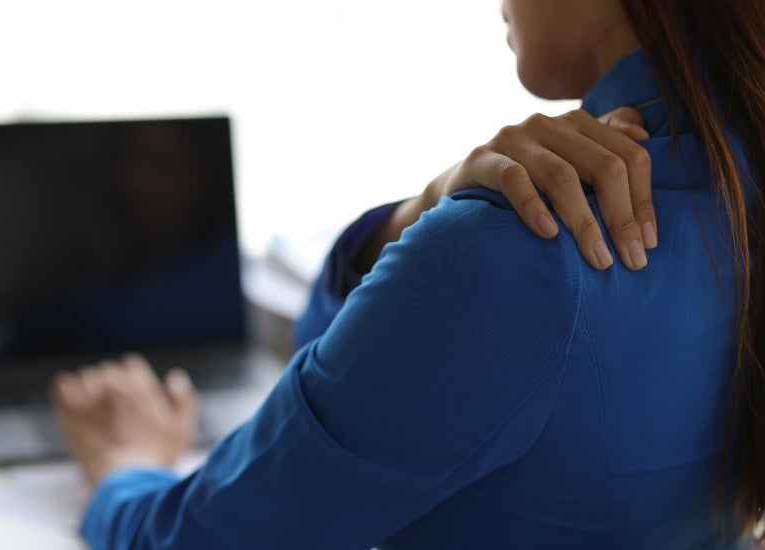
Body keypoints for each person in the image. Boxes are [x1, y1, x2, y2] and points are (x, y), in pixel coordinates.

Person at [50, 0, 765, 548]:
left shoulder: (517, 252)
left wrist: (126, 464)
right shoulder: (737, 191)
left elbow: (195, 539)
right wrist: (424, 208)